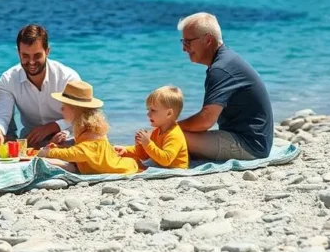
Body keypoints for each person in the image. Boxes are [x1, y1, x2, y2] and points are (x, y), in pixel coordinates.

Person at [176, 13, 274, 160]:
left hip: (249, 146)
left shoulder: (221, 69)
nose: (184, 49)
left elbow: (205, 121)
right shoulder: (225, 60)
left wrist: (170, 127)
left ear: (208, 40)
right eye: (183, 42)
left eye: (188, 42)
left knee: (169, 136)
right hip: (251, 141)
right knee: (169, 136)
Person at [0, 24, 83, 152]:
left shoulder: (68, 77)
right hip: (31, 141)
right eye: (25, 56)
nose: (31, 62)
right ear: (18, 52)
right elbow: (1, 115)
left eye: (37, 55)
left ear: (47, 51)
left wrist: (52, 127)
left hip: (68, 138)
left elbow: (82, 116)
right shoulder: (8, 79)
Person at [36, 80, 139, 174]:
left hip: (120, 168)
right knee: (50, 161)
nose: (61, 109)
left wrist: (48, 152)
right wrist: (55, 146)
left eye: (64, 106)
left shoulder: (92, 134)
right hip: (91, 166)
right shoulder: (85, 129)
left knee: (47, 160)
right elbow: (78, 150)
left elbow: (75, 153)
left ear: (75, 110)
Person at [115, 85, 189, 169]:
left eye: (153, 110)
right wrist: (128, 149)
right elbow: (145, 155)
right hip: (163, 167)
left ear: (169, 113)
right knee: (133, 161)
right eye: (148, 110)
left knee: (134, 166)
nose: (148, 114)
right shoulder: (157, 131)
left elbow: (166, 160)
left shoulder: (174, 135)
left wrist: (148, 143)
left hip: (176, 170)